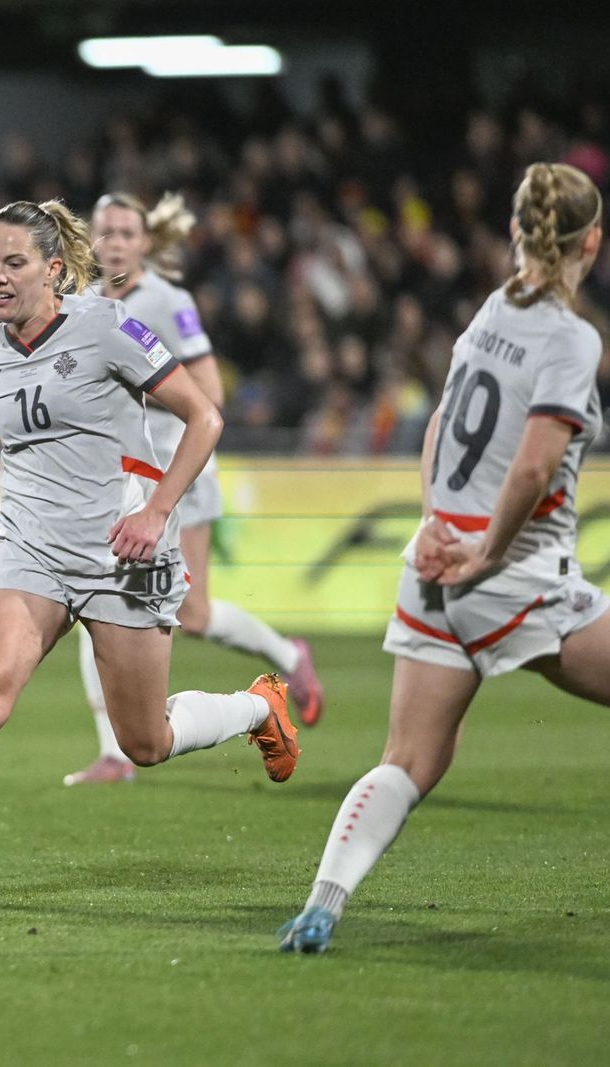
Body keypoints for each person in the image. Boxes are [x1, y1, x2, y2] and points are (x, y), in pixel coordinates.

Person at [0, 200, 302, 903]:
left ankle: (257, 708)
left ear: (54, 269)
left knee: (144, 743)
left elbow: (205, 416)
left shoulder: (109, 328)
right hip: (29, 549)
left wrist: (158, 510)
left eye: (13, 263)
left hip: (123, 552)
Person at [279, 163, 604, 953]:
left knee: (408, 759)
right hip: (512, 571)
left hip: (431, 566)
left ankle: (323, 903)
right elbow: (531, 468)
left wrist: (432, 521)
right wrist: (487, 552)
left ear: (516, 235)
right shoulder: (569, 338)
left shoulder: (490, 312)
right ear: (592, 242)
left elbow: (438, 425)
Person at [65, 192, 325, 786]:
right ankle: (112, 752)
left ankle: (287, 660)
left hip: (179, 474)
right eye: (104, 232)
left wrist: (133, 382)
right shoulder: (82, 305)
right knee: (93, 601)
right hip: (118, 481)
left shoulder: (168, 301)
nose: (114, 244)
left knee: (195, 614)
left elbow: (209, 392)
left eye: (126, 233)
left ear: (147, 242)